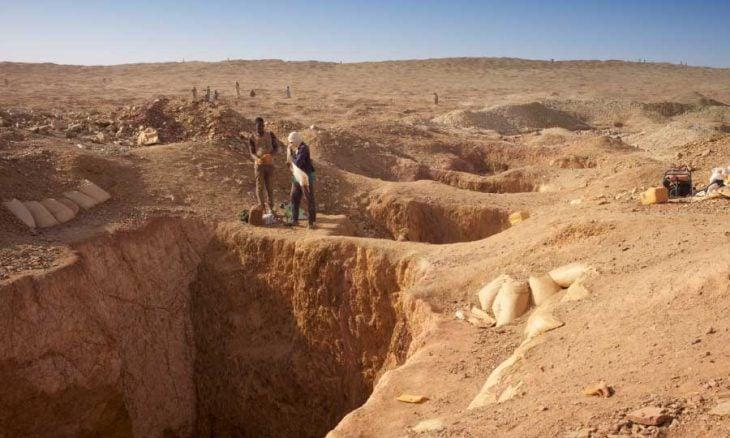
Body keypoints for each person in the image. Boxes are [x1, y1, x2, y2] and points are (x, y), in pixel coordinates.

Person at [248, 117, 281, 214]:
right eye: (258, 126)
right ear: (255, 126)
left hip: (269, 164)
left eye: (262, 126)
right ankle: (261, 207)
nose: (260, 128)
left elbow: (276, 148)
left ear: (263, 125)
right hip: (259, 166)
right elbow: (252, 152)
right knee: (260, 187)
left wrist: (271, 155)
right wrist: (257, 159)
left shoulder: (270, 135)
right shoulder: (252, 137)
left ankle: (271, 208)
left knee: (270, 187)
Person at [285, 131, 316, 228]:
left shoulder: (304, 148)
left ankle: (312, 222)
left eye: (291, 142)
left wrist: (290, 155)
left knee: (309, 199)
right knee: (294, 197)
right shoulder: (298, 149)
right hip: (297, 176)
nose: (291, 144)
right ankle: (294, 220)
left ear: (296, 140)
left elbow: (298, 163)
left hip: (305, 176)